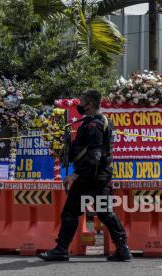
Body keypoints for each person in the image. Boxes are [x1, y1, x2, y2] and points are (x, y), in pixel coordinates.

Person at [38, 89, 132, 262]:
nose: (79, 104)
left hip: (89, 178)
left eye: (82, 101)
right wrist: (62, 153)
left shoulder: (93, 125)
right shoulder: (95, 121)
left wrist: (74, 175)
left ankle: (61, 249)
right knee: (105, 213)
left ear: (89, 104)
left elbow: (94, 156)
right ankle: (123, 249)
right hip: (99, 177)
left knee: (70, 213)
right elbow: (82, 150)